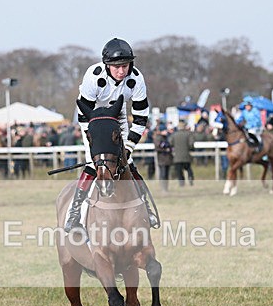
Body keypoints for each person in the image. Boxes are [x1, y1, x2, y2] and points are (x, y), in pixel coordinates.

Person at [65, 38, 158, 234]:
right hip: (92, 116)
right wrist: (95, 145)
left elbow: (141, 118)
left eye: (125, 66)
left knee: (127, 163)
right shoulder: (93, 75)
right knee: (94, 163)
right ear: (107, 65)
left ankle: (147, 208)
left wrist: (129, 147)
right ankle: (74, 213)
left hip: (119, 113)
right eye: (116, 67)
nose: (121, 71)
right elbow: (84, 114)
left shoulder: (137, 79)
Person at [170, 120, 196, 186]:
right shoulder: (188, 134)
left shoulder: (174, 135)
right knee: (188, 169)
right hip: (186, 156)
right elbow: (191, 144)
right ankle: (190, 178)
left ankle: (181, 183)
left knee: (179, 172)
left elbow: (170, 143)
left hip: (177, 157)